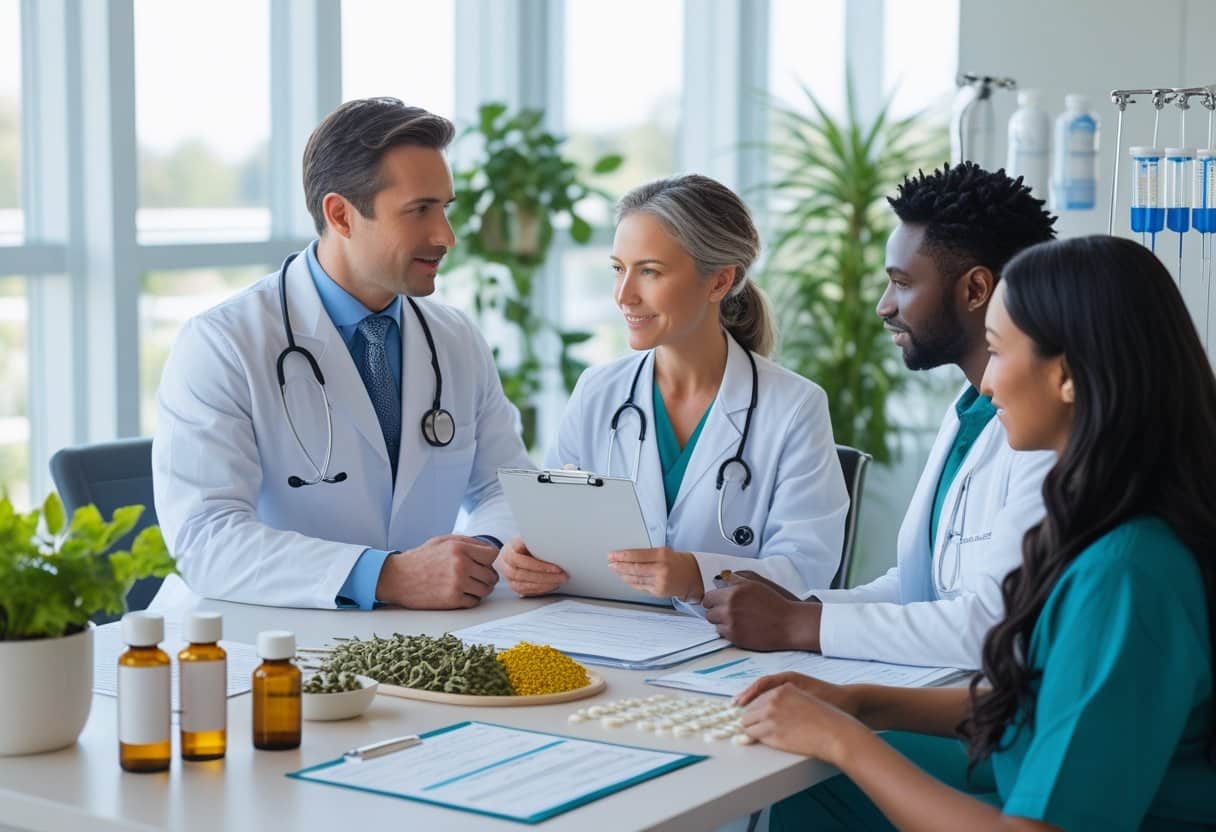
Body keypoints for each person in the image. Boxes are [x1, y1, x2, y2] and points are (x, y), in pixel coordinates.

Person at [735, 235, 1216, 831]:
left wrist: (845, 742)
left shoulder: (1126, 574)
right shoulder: (1100, 518)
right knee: (807, 786)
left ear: (1065, 376)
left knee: (829, 771)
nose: (986, 386)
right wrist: (862, 702)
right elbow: (1046, 697)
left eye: (997, 353)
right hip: (1024, 773)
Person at [153, 98, 532, 610]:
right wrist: (385, 576)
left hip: (422, 634)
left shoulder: (455, 338)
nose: (446, 235)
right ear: (341, 214)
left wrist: (478, 554)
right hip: (261, 640)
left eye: (445, 208)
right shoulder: (224, 343)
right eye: (420, 210)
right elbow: (205, 538)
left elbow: (506, 486)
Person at [703, 163, 1057, 669]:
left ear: (976, 290)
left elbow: (991, 626)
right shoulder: (967, 413)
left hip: (982, 717)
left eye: (903, 283)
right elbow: (920, 589)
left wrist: (798, 624)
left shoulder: (1048, 436)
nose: (884, 306)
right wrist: (800, 608)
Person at [497, 174, 849, 603]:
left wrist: (696, 575)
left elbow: (807, 569)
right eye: (618, 269)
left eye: (649, 271)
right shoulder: (598, 392)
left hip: (727, 653)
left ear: (719, 282)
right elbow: (550, 529)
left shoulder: (794, 407)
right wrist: (526, 561)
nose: (624, 295)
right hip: (600, 634)